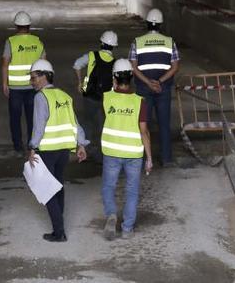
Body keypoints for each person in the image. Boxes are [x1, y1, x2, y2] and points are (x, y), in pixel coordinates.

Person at [26, 59, 88, 242]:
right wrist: (81, 144)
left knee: (48, 191)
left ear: (45, 76)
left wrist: (32, 148)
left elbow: (38, 126)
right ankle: (59, 222)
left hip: (47, 150)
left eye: (34, 77)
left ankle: (59, 232)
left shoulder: (40, 97)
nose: (32, 81)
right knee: (58, 186)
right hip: (63, 152)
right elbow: (74, 123)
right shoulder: (64, 96)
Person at [101, 59, 152, 240]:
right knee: (131, 191)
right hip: (133, 154)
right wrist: (149, 158)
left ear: (114, 77)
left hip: (111, 152)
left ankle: (112, 214)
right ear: (131, 77)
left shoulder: (106, 98)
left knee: (108, 187)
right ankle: (127, 229)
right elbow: (144, 131)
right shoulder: (140, 102)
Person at [129, 8, 179, 166]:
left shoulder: (137, 42)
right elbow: (175, 66)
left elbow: (133, 67)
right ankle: (166, 159)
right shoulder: (170, 41)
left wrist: (148, 82)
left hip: (144, 89)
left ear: (147, 23)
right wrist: (160, 82)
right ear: (160, 25)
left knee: (143, 124)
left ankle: (143, 157)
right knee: (164, 124)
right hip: (163, 89)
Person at [2, 11, 46, 152]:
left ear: (16, 25)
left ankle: (18, 147)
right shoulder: (37, 42)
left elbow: (5, 63)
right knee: (33, 118)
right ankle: (32, 145)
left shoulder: (10, 42)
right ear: (29, 25)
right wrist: (44, 85)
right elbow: (44, 64)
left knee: (15, 119)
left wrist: (4, 83)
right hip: (34, 87)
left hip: (15, 88)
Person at [72, 30, 117, 158]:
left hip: (89, 96)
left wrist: (80, 83)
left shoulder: (91, 55)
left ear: (101, 43)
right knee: (103, 125)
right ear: (113, 46)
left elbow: (76, 65)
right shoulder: (115, 62)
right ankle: (101, 153)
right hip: (105, 99)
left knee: (87, 122)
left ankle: (84, 149)